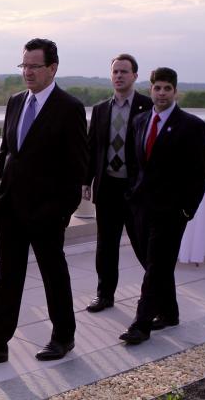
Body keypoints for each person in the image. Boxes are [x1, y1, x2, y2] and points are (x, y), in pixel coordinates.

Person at [0, 38, 88, 369]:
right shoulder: (16, 101)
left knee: (53, 275)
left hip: (47, 212)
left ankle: (63, 336)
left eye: (34, 66)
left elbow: (77, 169)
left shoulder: (69, 107)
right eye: (24, 66)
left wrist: (59, 212)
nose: (27, 72)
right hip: (10, 208)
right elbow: (8, 152)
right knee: (7, 278)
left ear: (52, 68)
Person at [119, 67, 205, 344]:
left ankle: (141, 325)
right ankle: (169, 313)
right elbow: (134, 164)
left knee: (157, 264)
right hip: (141, 206)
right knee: (155, 263)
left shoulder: (192, 126)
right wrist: (132, 195)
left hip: (171, 211)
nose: (161, 93)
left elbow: (199, 173)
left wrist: (186, 210)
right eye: (157, 88)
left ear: (175, 91)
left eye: (167, 88)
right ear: (151, 89)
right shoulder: (140, 120)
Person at [83, 54, 153, 313]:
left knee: (143, 243)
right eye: (115, 72)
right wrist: (86, 180)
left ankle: (155, 294)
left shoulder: (148, 107)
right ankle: (105, 295)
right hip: (108, 187)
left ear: (135, 76)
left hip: (136, 189)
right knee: (106, 245)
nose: (119, 76)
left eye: (125, 71)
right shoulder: (102, 109)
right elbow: (92, 148)